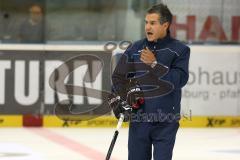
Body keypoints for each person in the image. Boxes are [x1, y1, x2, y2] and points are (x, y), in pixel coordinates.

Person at [111, 3, 190, 160]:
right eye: (146, 22)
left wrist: (155, 65)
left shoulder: (179, 50)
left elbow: (179, 79)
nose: (148, 27)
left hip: (166, 121)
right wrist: (119, 98)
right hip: (139, 120)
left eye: (152, 23)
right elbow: (118, 77)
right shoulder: (135, 48)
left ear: (165, 25)